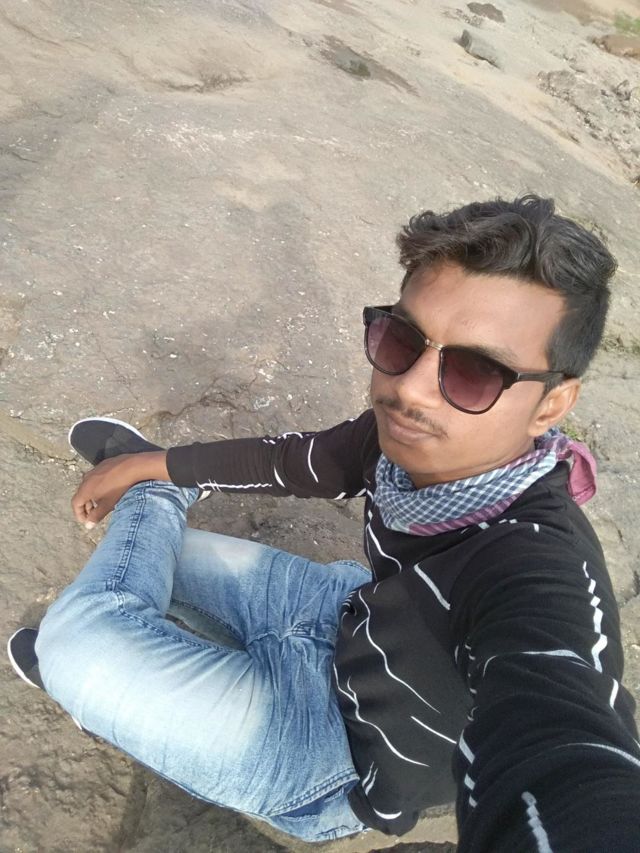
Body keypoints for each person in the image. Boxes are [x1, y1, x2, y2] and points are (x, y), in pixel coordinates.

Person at [11, 195, 640, 849]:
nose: (410, 389)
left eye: (476, 372)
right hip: (338, 618)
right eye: (402, 340)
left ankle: (85, 662)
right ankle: (132, 562)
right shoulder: (400, 443)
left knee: (88, 635)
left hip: (332, 758)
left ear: (551, 406)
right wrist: (156, 463)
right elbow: (294, 460)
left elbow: (564, 736)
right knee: (163, 558)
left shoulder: (535, 569)